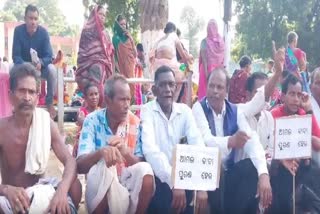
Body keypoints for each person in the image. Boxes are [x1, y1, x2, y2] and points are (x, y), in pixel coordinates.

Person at [0, 63, 81, 214]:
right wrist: (6, 190)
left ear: (37, 98)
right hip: (11, 199)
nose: (27, 97)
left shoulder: (45, 123)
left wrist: (62, 191)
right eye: (21, 91)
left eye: (31, 92)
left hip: (39, 195)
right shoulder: (1, 129)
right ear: (10, 95)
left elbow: (70, 161)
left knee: (75, 186)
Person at [192, 68, 271, 214]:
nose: (215, 91)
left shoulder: (235, 111)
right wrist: (230, 141)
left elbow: (251, 141)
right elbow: (206, 140)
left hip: (230, 175)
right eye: (211, 86)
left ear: (226, 90)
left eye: (219, 87)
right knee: (217, 166)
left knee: (253, 166)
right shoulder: (198, 108)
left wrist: (263, 174)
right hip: (207, 174)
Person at [76, 74, 154, 214]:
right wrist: (100, 153)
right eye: (122, 100)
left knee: (146, 170)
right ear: (107, 100)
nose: (127, 105)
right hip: (99, 191)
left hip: (126, 184)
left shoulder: (135, 123)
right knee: (103, 166)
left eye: (128, 99)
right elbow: (80, 165)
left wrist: (126, 154)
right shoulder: (91, 120)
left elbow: (141, 161)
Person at [141, 65, 208, 214]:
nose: (168, 89)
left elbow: (198, 143)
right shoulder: (147, 111)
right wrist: (174, 181)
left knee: (199, 198)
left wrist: (202, 185)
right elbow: (150, 151)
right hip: (160, 179)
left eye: (171, 84)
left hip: (183, 180)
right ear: (154, 89)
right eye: (162, 85)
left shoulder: (184, 111)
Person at [269, 74, 320, 213]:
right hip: (280, 167)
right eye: (292, 94)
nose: (296, 99)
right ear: (283, 96)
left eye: (299, 95)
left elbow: (318, 141)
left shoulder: (303, 114)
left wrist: (309, 110)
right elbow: (268, 146)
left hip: (302, 167)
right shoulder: (273, 115)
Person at [12, 4, 57, 118]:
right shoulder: (18, 31)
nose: (33, 22)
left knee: (52, 70)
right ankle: (14, 102)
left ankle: (49, 102)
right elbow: (15, 56)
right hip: (23, 67)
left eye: (35, 19)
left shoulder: (44, 33)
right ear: (25, 19)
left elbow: (49, 56)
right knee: (11, 69)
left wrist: (41, 63)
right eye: (30, 18)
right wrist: (26, 65)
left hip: (40, 67)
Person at [76, 4, 114, 106]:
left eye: (104, 15)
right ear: (94, 14)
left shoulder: (105, 33)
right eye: (100, 14)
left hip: (104, 65)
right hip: (88, 64)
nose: (102, 17)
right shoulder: (87, 30)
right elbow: (83, 51)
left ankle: (103, 108)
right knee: (97, 68)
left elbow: (109, 52)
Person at [150, 22, 193, 103]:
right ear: (175, 32)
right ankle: (175, 101)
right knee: (183, 73)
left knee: (182, 70)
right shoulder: (174, 38)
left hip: (160, 66)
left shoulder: (161, 39)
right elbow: (184, 57)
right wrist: (187, 68)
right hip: (174, 67)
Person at [198, 19, 225, 100]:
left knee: (205, 93)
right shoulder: (222, 42)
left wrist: (207, 75)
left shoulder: (204, 41)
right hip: (219, 71)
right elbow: (222, 60)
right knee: (217, 93)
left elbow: (205, 60)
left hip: (207, 70)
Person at [72, 84, 100, 157]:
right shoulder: (81, 112)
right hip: (83, 143)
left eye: (96, 94)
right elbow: (82, 122)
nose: (94, 97)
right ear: (86, 97)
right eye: (91, 95)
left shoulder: (100, 112)